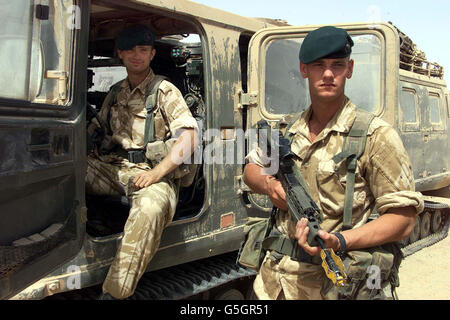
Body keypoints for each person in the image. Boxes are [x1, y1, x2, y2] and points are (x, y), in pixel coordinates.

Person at [243, 26, 424, 300]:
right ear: (304, 70)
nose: (328, 74)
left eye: (337, 66)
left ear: (349, 69)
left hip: (333, 286)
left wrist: (340, 241)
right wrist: (270, 186)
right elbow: (250, 170)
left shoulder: (376, 135)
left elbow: (403, 219)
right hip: (272, 284)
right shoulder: (287, 131)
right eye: (319, 66)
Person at [86, 24, 198, 300]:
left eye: (143, 50)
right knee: (65, 170)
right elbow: (97, 131)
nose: (137, 56)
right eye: (131, 51)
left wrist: (156, 174)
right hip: (114, 170)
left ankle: (115, 293)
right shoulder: (114, 93)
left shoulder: (164, 91)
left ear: (151, 54)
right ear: (121, 55)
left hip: (151, 175)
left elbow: (190, 139)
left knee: (150, 206)